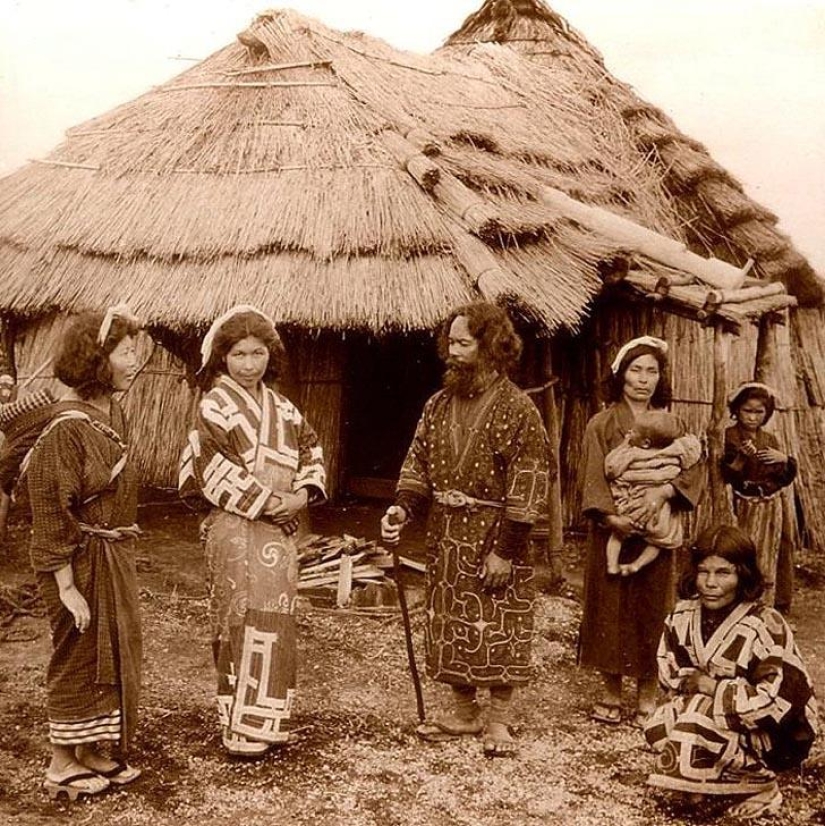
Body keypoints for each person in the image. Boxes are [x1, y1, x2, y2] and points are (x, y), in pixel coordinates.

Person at [380, 301, 551, 758]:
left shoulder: (519, 410)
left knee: (499, 623)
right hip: (446, 535)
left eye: (462, 343)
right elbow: (417, 461)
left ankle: (497, 719)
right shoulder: (437, 405)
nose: (451, 352)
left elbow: (529, 481)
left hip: (496, 534)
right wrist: (402, 509)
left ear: (491, 346)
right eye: (449, 343)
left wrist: (507, 550)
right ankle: (463, 710)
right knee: (448, 619)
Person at [178, 304, 326, 758]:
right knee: (237, 616)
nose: (249, 364)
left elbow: (312, 452)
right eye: (239, 354)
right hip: (235, 527)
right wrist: (269, 505)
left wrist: (299, 497)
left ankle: (269, 720)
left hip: (278, 533)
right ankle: (238, 726)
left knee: (275, 617)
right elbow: (210, 468)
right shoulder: (214, 406)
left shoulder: (284, 408)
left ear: (270, 355)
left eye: (258, 353)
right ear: (223, 357)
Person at [23, 306, 143, 800]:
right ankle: (59, 760)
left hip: (107, 555)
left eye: (135, 350)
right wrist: (66, 586)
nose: (133, 360)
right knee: (77, 651)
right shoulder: (65, 430)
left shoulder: (106, 417)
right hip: (75, 560)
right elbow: (51, 512)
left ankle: (90, 748)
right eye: (125, 351)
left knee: (107, 653)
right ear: (98, 358)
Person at [645, 525, 817, 820]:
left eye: (723, 573)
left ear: (743, 575)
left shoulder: (765, 623)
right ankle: (711, 781)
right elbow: (670, 676)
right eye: (703, 572)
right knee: (659, 724)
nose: (711, 583)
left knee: (695, 717)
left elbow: (776, 701)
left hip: (779, 732)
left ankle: (763, 785)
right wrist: (698, 688)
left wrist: (711, 687)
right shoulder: (682, 617)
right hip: (723, 715)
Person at [579, 335, 705, 728]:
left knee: (653, 606)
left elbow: (694, 467)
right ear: (621, 374)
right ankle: (611, 690)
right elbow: (592, 474)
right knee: (610, 605)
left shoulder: (673, 423)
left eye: (652, 371)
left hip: (658, 527)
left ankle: (648, 691)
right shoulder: (602, 424)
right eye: (636, 369)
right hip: (613, 527)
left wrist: (664, 492)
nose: (644, 379)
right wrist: (610, 516)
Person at [721, 382, 797, 610]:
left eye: (759, 412)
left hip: (770, 504)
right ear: (737, 410)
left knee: (772, 551)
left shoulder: (770, 441)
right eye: (747, 411)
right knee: (744, 550)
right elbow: (726, 474)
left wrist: (784, 460)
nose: (753, 417)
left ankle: (769, 603)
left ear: (767, 414)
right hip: (741, 504)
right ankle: (739, 601)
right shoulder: (729, 437)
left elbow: (784, 477)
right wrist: (741, 459)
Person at [604, 410, 702, 576]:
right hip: (661, 513)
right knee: (660, 541)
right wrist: (685, 440)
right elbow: (694, 456)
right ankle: (637, 565)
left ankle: (612, 564)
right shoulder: (675, 454)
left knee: (617, 535)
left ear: (646, 443)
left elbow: (611, 469)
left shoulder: (633, 453)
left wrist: (624, 445)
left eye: (633, 431)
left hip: (633, 504)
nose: (629, 433)